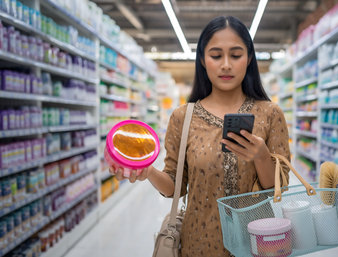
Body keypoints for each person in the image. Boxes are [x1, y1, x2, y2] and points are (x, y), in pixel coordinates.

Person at [109, 15, 290, 257]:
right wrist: (149, 172)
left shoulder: (270, 113)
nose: (226, 64)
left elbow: (279, 188)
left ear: (249, 59)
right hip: (198, 245)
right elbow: (175, 188)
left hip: (257, 244)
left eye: (236, 55)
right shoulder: (183, 117)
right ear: (203, 60)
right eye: (216, 55)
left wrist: (261, 157)